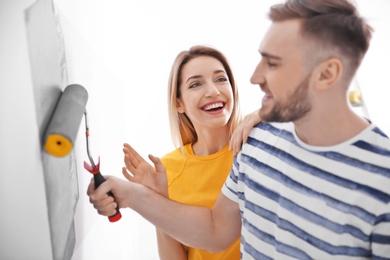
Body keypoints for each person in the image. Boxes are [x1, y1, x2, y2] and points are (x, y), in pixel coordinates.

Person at [88, 0, 390, 259]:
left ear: (327, 74)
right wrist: (135, 196)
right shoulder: (258, 142)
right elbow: (216, 231)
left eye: (273, 64)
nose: (253, 77)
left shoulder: (381, 184)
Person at [121, 45, 260, 259]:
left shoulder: (257, 146)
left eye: (221, 79)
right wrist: (158, 201)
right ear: (179, 103)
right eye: (196, 84)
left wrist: (269, 112)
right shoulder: (166, 170)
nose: (213, 91)